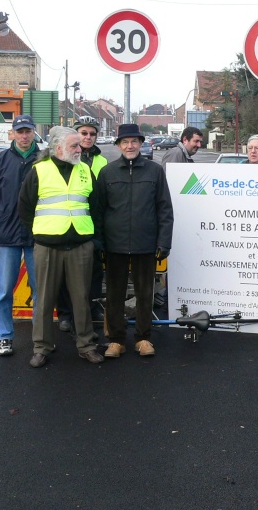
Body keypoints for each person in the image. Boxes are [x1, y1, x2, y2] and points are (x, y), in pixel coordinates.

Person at [18, 126, 104, 367]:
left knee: (81, 298)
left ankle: (86, 345)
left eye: (79, 145)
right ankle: (42, 347)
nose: (80, 149)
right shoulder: (39, 170)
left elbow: (96, 206)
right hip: (48, 245)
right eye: (74, 145)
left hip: (80, 244)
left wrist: (93, 238)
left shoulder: (85, 170)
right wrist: (38, 233)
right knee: (44, 300)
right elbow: (24, 208)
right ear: (58, 148)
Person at [97, 124, 174, 358]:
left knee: (144, 293)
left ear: (141, 144)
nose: (129, 146)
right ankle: (116, 341)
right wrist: (99, 242)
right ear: (119, 145)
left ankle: (143, 338)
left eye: (134, 141)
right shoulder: (107, 173)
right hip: (114, 244)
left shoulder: (154, 171)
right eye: (125, 142)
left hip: (146, 243)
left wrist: (164, 242)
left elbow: (164, 209)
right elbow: (98, 211)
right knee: (115, 295)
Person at [0, 114, 41, 357]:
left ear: (34, 132)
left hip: (39, 236)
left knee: (41, 291)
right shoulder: (1, 161)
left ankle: (41, 338)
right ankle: (4, 337)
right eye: (20, 131)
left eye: (28, 131)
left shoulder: (44, 160)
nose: (24, 136)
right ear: (13, 134)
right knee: (4, 290)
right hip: (6, 235)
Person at [56, 116, 108, 335]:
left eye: (92, 134)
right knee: (65, 274)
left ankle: (93, 307)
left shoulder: (102, 162)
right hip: (69, 223)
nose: (87, 138)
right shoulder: (67, 156)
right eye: (83, 133)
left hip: (93, 223)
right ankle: (66, 314)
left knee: (95, 272)